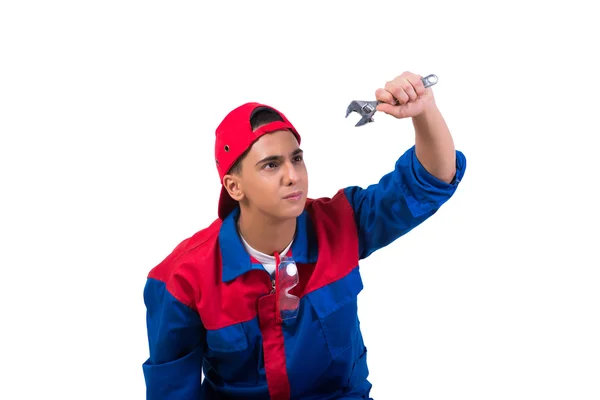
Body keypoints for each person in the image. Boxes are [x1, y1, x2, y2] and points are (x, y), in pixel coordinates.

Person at [142, 71, 467, 399]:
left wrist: (425, 112)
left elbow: (431, 181)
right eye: (271, 165)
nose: (292, 176)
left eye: (296, 159)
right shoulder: (180, 281)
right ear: (234, 186)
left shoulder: (342, 223)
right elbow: (171, 393)